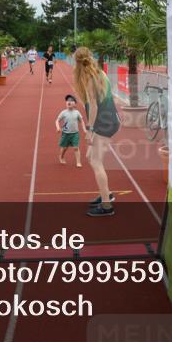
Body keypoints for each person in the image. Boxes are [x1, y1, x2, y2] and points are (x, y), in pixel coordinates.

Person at [72, 47, 121, 217]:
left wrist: (89, 130)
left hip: (103, 124)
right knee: (90, 157)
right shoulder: (100, 73)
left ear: (77, 63)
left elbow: (93, 105)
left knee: (96, 161)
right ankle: (106, 193)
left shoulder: (88, 78)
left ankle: (107, 205)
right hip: (109, 120)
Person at [55, 95, 84, 167]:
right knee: (64, 148)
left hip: (75, 133)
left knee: (76, 148)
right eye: (67, 101)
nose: (69, 102)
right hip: (66, 133)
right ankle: (61, 157)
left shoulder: (77, 112)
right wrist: (58, 127)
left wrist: (84, 129)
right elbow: (57, 120)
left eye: (71, 101)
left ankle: (78, 162)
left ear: (75, 104)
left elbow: (81, 121)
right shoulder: (64, 112)